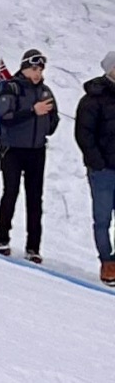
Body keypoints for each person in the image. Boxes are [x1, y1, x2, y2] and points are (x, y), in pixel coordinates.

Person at [0, 48, 59, 263]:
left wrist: (48, 120)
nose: (37, 73)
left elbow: (52, 123)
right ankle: (2, 238)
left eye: (40, 69)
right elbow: (5, 117)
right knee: (10, 192)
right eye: (33, 69)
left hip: (36, 150)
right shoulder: (12, 88)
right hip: (12, 149)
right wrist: (32, 111)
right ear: (24, 68)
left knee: (35, 199)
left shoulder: (46, 92)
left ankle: (33, 247)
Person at [74, 51, 115, 285]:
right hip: (102, 171)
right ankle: (107, 262)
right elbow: (83, 134)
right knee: (102, 218)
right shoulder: (93, 98)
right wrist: (97, 163)